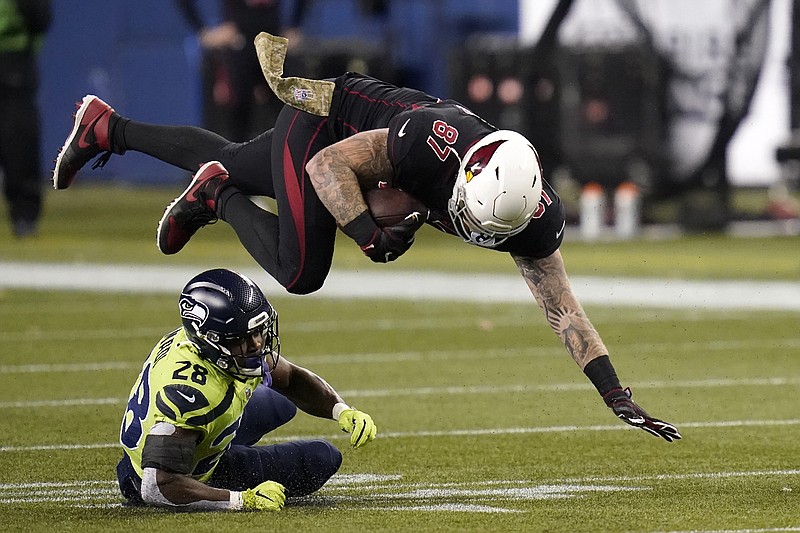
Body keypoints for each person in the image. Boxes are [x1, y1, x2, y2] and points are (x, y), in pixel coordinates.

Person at [53, 32, 681, 443]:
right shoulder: (424, 149)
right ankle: (215, 197)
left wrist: (615, 393)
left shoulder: (532, 215)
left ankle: (106, 129)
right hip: (325, 129)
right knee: (302, 270)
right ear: (462, 181)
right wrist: (365, 233)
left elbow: (563, 309)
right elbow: (329, 168)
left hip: (358, 153)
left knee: (240, 161)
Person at [116, 267, 377, 510]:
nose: (256, 344)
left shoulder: (206, 344)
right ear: (212, 341)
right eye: (242, 338)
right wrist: (239, 500)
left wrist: (340, 410)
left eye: (258, 332)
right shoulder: (187, 394)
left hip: (201, 439)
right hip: (175, 472)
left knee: (281, 401)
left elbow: (292, 379)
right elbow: (156, 485)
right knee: (321, 459)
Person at [175, 0, 308, 141]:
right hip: (238, 46)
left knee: (287, 117)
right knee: (237, 121)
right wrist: (202, 30)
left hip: (273, 44)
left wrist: (295, 25)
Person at [0, 0, 51, 237]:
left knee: (18, 138)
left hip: (14, 55)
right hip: (15, 55)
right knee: (17, 136)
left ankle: (24, 213)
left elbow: (40, 17)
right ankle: (24, 212)